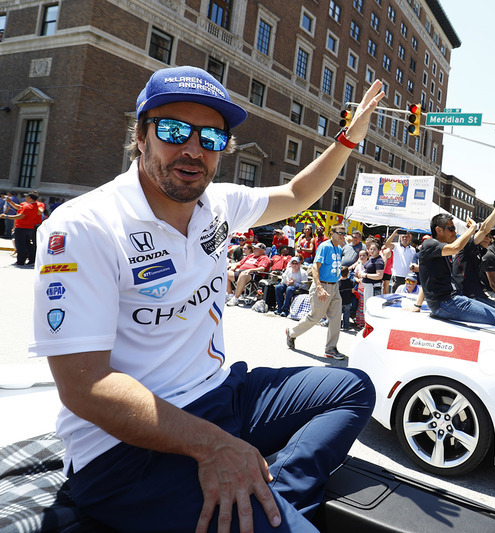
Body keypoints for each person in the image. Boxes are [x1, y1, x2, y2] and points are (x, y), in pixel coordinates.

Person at [30, 65, 382, 532]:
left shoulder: (219, 203)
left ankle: (277, 493)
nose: (193, 149)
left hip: (220, 394)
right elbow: (85, 385)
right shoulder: (83, 227)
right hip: (123, 452)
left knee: (352, 387)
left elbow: (298, 192)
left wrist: (348, 138)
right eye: (174, 130)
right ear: (141, 134)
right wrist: (212, 444)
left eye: (212, 138)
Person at [415, 213, 495, 328]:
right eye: (451, 229)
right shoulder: (430, 244)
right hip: (445, 303)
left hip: (455, 299)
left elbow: (426, 277)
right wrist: (472, 228)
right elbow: (456, 248)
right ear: (439, 230)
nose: (454, 232)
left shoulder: (443, 249)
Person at [451, 194, 495, 329]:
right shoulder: (467, 247)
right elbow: (483, 229)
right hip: (466, 297)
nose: (488, 238)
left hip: (478, 296)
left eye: (490, 236)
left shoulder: (483, 251)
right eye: (485, 236)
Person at [286, 223, 349, 360]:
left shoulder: (338, 249)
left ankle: (331, 349)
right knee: (315, 317)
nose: (343, 236)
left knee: (336, 318)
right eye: (340, 233)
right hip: (322, 287)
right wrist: (319, 288)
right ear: (332, 233)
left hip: (334, 287)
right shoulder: (324, 246)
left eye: (344, 233)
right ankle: (291, 333)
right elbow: (315, 267)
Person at [1, 191, 40, 266]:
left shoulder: (28, 206)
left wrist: (6, 216)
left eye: (26, 197)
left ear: (29, 198)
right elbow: (18, 207)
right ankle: (31, 260)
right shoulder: (33, 206)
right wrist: (10, 201)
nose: (25, 198)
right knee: (28, 244)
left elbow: (20, 216)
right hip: (29, 227)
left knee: (20, 245)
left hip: (22, 227)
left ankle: (21, 261)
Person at [226, 242, 271, 306]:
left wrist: (250, 270)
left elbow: (262, 268)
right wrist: (234, 265)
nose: (254, 249)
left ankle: (236, 298)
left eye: (256, 249)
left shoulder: (264, 258)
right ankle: (230, 295)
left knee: (243, 275)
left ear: (262, 250)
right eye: (254, 248)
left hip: (253, 274)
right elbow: (240, 263)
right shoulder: (251, 255)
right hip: (241, 271)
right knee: (226, 273)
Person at [356, 241, 385, 309]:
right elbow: (368, 269)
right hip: (367, 286)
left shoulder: (379, 261)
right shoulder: (371, 259)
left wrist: (365, 275)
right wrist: (362, 273)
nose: (372, 251)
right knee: (367, 307)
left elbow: (379, 276)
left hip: (373, 287)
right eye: (371, 249)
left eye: (374, 249)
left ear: (379, 250)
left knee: (372, 307)